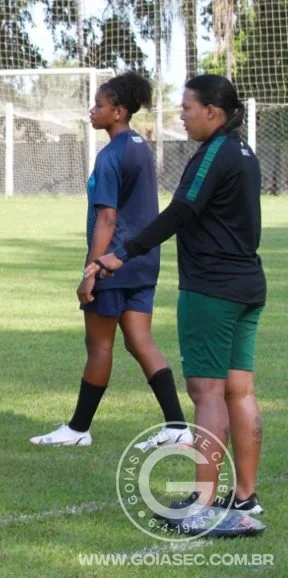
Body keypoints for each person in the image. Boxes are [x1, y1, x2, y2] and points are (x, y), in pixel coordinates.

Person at [90, 75, 266, 529]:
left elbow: (180, 211)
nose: (181, 117)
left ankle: (203, 503)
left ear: (214, 112)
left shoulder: (214, 153)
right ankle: (244, 497)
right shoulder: (244, 151)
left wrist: (122, 253)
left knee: (206, 392)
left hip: (213, 289)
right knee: (238, 390)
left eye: (187, 108)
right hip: (247, 284)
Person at [30, 72, 189, 449]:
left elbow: (107, 218)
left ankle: (78, 429)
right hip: (143, 262)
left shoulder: (112, 154)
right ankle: (178, 426)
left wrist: (90, 271)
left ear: (118, 111)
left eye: (99, 105)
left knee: (99, 346)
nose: (92, 110)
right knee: (140, 340)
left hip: (113, 264)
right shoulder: (140, 146)